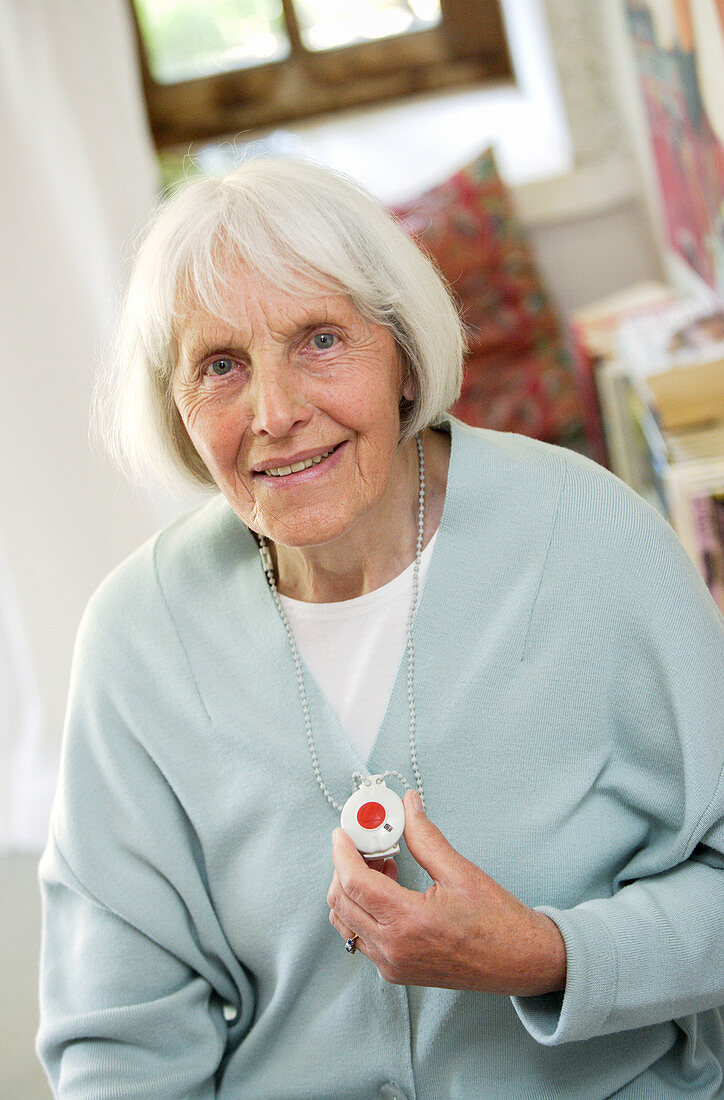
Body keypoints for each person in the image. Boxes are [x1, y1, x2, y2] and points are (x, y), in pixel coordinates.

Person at [37, 157, 724, 1100]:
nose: (275, 413)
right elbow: (120, 1040)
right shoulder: (137, 638)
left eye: (320, 340)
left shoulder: (592, 541)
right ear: (177, 406)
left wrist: (544, 953)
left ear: (402, 355)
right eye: (222, 366)